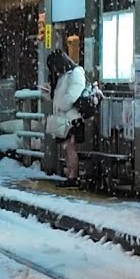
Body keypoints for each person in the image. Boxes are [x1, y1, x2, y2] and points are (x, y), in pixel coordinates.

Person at [45, 50, 87, 187]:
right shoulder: (66, 75)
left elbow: (72, 96)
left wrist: (60, 104)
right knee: (67, 148)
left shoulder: (75, 73)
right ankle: (70, 175)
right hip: (66, 118)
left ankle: (73, 177)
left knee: (70, 148)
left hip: (73, 118)